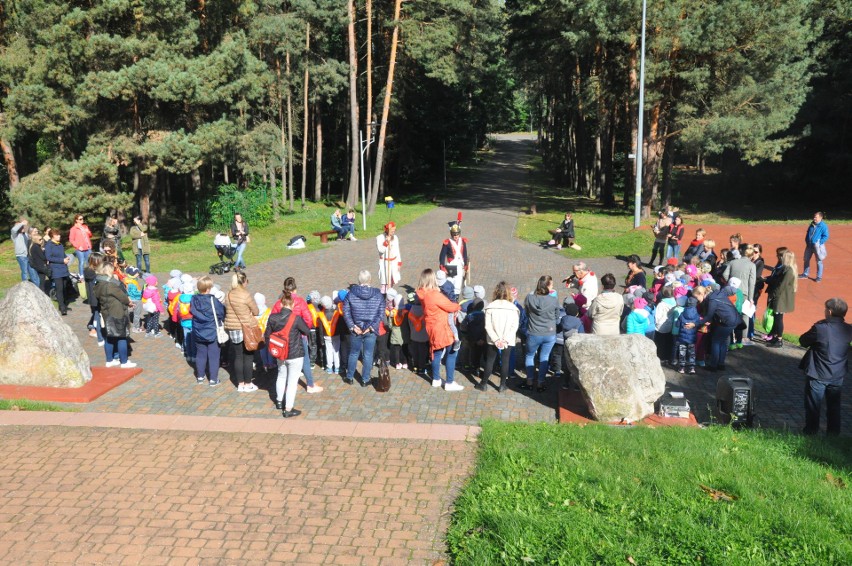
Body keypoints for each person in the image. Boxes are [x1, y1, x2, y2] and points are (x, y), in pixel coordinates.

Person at [800, 298, 852, 436]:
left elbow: (803, 341)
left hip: (818, 373)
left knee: (813, 405)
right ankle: (833, 435)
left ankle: (811, 432)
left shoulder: (820, 328)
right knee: (834, 407)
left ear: (829, 312)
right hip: (838, 374)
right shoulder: (849, 329)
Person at [271, 277, 322, 393]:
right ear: (295, 289)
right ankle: (310, 385)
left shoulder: (279, 303)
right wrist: (304, 331)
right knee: (305, 360)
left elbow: (272, 319)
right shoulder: (300, 301)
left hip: (283, 337)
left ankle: (283, 387)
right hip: (299, 336)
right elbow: (308, 319)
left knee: (283, 362)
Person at [265, 289, 311, 417]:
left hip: (280, 352)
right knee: (292, 381)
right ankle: (288, 408)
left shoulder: (273, 318)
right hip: (295, 353)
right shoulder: (296, 318)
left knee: (281, 375)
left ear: (281, 304)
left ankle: (279, 401)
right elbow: (307, 331)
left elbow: (267, 335)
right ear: (291, 304)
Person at [416, 268, 463, 390]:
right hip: (442, 327)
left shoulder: (422, 294)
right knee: (452, 352)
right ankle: (449, 382)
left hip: (431, 327)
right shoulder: (434, 295)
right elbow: (451, 306)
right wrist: (458, 306)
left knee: (436, 352)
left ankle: (436, 379)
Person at [342, 270, 384, 386]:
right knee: (368, 354)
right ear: (370, 280)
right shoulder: (378, 294)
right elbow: (380, 313)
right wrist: (371, 326)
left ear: (359, 280)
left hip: (357, 328)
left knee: (354, 353)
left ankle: (349, 377)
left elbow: (345, 311)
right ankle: (365, 379)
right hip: (369, 329)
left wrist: (352, 326)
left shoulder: (350, 294)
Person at [476, 281, 519, 392]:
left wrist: (496, 339)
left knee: (490, 361)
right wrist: (504, 339)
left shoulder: (490, 307)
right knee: (505, 361)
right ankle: (502, 385)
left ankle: (484, 383)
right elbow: (514, 327)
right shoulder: (513, 308)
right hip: (507, 340)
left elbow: (488, 326)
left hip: (492, 339)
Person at [520, 275, 560, 392]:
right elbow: (557, 317)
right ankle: (540, 383)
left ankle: (529, 381)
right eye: (551, 284)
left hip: (534, 332)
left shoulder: (529, 298)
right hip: (549, 333)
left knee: (530, 356)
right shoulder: (553, 300)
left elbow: (526, 313)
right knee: (544, 357)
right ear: (547, 286)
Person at [94, 262, 136, 368]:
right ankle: (124, 361)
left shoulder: (98, 282)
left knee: (109, 336)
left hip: (106, 311)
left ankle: (109, 360)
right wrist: (129, 302)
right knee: (121, 336)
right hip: (117, 312)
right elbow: (122, 297)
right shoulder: (111, 284)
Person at [224, 271, 260, 391]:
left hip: (233, 328)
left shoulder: (228, 294)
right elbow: (256, 311)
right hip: (246, 327)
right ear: (244, 281)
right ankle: (248, 383)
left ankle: (240, 384)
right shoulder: (246, 295)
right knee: (248, 356)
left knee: (238, 356)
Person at [190, 276, 226, 387]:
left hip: (198, 330)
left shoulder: (193, 299)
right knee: (214, 356)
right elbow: (221, 313)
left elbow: (192, 311)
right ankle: (213, 379)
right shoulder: (213, 300)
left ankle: (200, 376)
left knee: (200, 354)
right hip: (212, 331)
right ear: (208, 288)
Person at [765, 249, 797, 348]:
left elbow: (781, 286)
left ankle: (779, 339)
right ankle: (775, 337)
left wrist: (774, 295)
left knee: (778, 319)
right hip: (780, 297)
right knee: (776, 317)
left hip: (781, 298)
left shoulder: (788, 271)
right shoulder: (786, 269)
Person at [44, 228, 71, 315]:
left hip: (63, 268)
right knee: (59, 289)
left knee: (64, 287)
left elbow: (63, 254)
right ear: (52, 236)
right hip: (56, 269)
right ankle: (62, 308)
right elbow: (49, 257)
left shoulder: (60, 245)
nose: (59, 236)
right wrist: (62, 260)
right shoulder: (49, 245)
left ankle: (62, 304)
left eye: (59, 235)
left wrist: (66, 257)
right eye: (57, 235)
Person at [439, 223, 469, 297]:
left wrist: (465, 264)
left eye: (457, 234)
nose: (456, 236)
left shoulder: (462, 241)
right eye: (454, 235)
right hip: (451, 265)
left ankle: (456, 297)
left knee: (458, 282)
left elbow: (464, 253)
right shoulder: (447, 242)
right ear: (451, 234)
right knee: (450, 282)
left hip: (460, 264)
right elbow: (442, 255)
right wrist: (442, 265)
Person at [800, 211, 829, 282]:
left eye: (816, 217)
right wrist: (807, 240)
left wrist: (819, 243)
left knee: (819, 261)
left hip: (817, 247)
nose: (814, 218)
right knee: (806, 259)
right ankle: (805, 274)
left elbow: (826, 236)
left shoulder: (823, 226)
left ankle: (819, 277)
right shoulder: (812, 224)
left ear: (820, 217)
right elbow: (808, 233)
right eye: (814, 217)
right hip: (809, 245)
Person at [376, 221, 402, 293]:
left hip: (393, 262)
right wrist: (386, 242)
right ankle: (384, 297)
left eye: (394, 231)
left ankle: (389, 298)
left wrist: (399, 263)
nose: (393, 232)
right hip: (385, 263)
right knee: (385, 283)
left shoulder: (395, 238)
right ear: (387, 230)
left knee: (392, 280)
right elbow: (381, 250)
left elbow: (397, 250)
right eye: (392, 231)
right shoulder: (380, 238)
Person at [27, 227, 50, 294]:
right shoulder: (33, 244)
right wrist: (42, 251)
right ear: (30, 233)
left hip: (37, 265)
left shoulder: (36, 245)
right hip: (37, 265)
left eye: (37, 231)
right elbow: (42, 257)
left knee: (41, 280)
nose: (36, 232)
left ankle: (41, 293)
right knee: (39, 281)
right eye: (35, 231)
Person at [11, 217, 31, 282]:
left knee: (31, 272)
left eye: (23, 227)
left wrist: (26, 225)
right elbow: (13, 229)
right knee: (25, 272)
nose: (23, 228)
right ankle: (24, 285)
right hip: (21, 255)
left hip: (27, 255)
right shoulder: (15, 235)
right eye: (21, 227)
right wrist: (22, 223)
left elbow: (30, 233)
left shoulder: (25, 235)